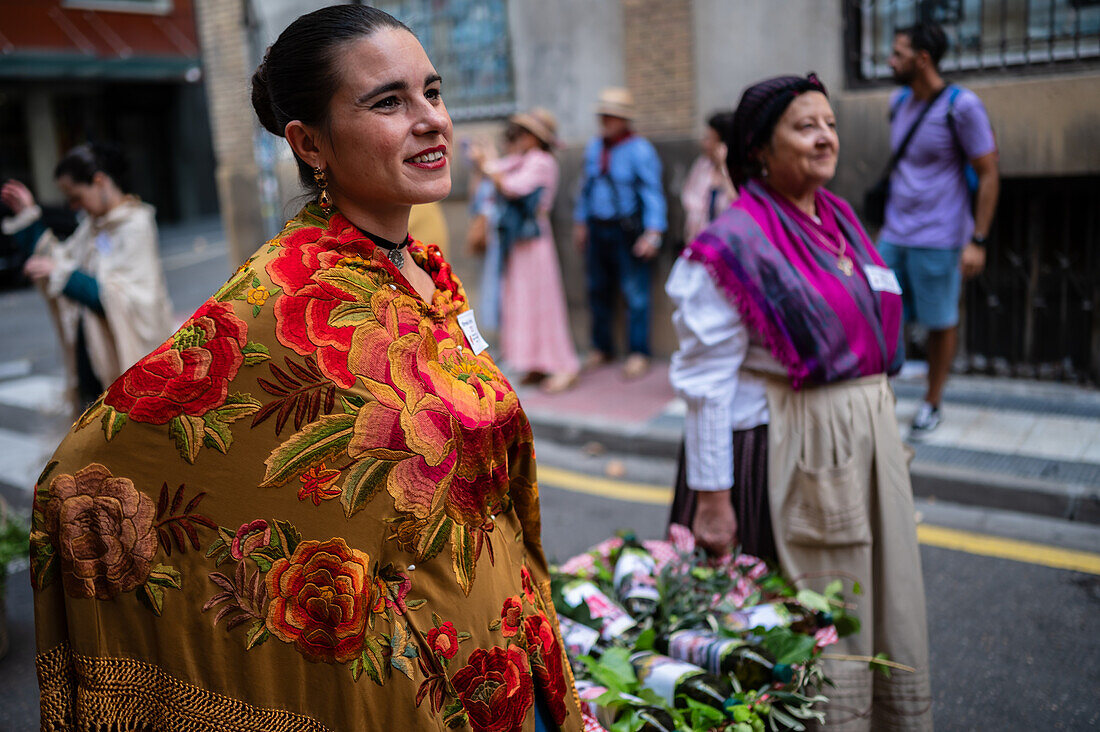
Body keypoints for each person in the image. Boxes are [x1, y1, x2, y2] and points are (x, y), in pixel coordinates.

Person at [29, 7, 583, 731]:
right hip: (421, 690)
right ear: (309, 142)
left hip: (513, 652)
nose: (431, 120)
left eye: (434, 92)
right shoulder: (281, 295)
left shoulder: (422, 269)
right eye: (388, 102)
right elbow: (87, 467)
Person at [666, 74, 931, 729]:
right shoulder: (734, 244)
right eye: (805, 126)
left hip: (860, 452)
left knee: (872, 608)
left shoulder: (837, 218)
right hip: (786, 459)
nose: (825, 137)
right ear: (759, 148)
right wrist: (713, 501)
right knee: (799, 637)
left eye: (830, 124)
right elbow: (706, 387)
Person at [880, 21, 999, 437]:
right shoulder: (898, 102)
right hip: (894, 233)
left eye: (898, 53)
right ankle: (880, 397)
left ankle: (932, 402)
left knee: (939, 321)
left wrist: (977, 240)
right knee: (878, 310)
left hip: (940, 236)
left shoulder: (962, 107)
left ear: (923, 59)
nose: (890, 60)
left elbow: (988, 174)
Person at [1, 144, 174, 416]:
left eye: (75, 196)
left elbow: (119, 297)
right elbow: (59, 258)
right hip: (92, 356)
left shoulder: (136, 224)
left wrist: (62, 274)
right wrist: (29, 216)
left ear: (99, 181)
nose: (73, 206)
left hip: (125, 359)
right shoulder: (92, 227)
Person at [471, 109, 580, 393]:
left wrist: (487, 164)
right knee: (521, 300)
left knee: (543, 302)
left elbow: (510, 187)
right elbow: (498, 170)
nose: (519, 138)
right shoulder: (524, 159)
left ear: (536, 137)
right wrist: (487, 161)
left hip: (534, 242)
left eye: (524, 133)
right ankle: (535, 363)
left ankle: (562, 365)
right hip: (520, 243)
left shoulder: (542, 162)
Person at [572, 87, 667, 380]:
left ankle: (639, 352)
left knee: (635, 293)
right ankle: (603, 347)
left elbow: (652, 192)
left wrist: (653, 232)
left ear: (624, 119)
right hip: (598, 228)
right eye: (604, 116)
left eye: (612, 116)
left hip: (628, 229)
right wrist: (581, 222)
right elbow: (586, 187)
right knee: (597, 289)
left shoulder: (640, 150)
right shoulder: (594, 148)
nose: (606, 121)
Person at [680, 111, 737, 244]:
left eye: (709, 139)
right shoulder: (702, 165)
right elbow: (689, 198)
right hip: (700, 245)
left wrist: (723, 168)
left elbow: (736, 205)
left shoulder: (738, 172)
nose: (704, 144)